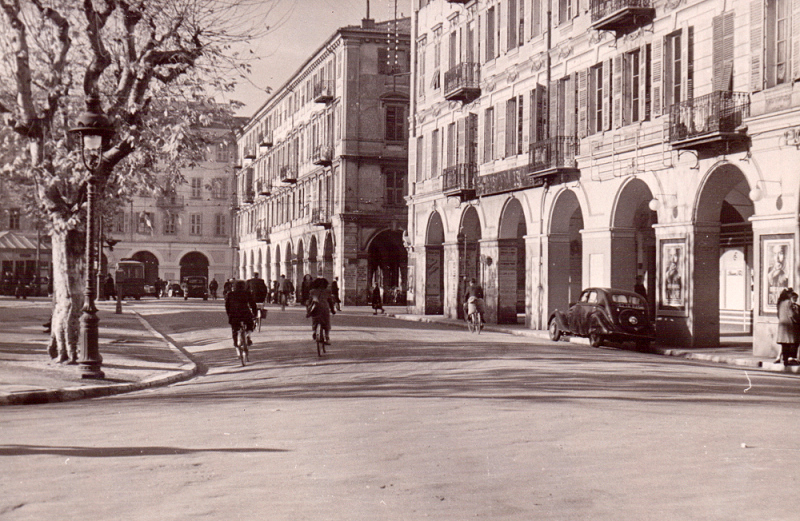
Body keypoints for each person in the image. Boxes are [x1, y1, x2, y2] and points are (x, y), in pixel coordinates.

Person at [225, 279, 257, 361]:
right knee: (250, 325)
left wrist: (229, 315)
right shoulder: (247, 293)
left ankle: (236, 347)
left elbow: (227, 307)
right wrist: (255, 314)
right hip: (245, 314)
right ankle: (248, 335)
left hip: (234, 316)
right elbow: (253, 304)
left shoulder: (230, 294)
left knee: (234, 331)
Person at [306, 277, 336, 344]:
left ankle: (314, 331)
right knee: (326, 323)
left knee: (315, 320)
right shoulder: (328, 291)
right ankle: (327, 338)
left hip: (316, 308)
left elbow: (309, 302)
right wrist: (333, 310)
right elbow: (330, 302)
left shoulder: (312, 291)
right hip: (324, 308)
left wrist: (308, 311)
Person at [775, 288, 799, 365]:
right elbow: (791, 314)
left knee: (784, 344)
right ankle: (790, 359)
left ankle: (785, 359)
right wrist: (796, 319)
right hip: (789, 325)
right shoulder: (788, 302)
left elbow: (778, 315)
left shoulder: (780, 303)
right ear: (788, 294)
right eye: (791, 294)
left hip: (782, 326)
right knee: (791, 343)